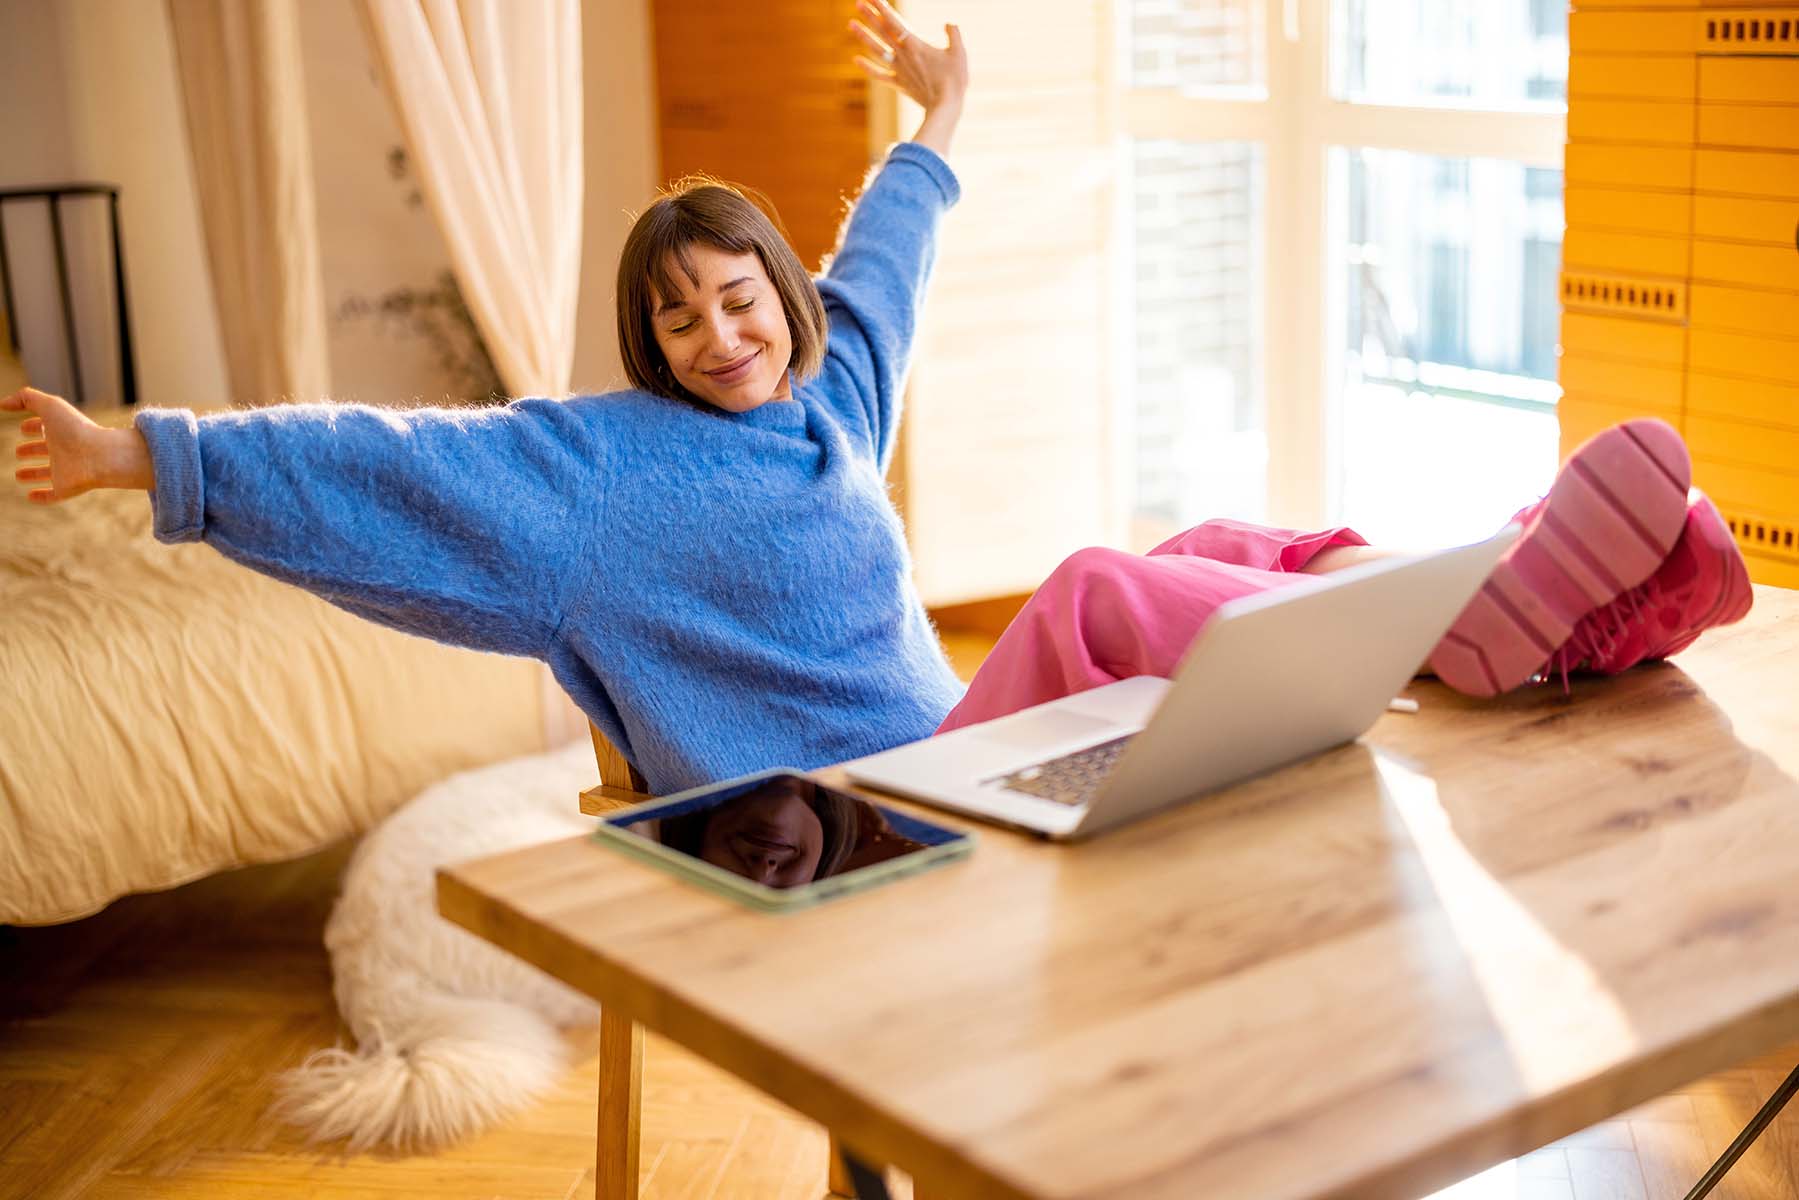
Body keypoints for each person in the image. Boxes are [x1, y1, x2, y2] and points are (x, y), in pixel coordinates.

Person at [4, 1, 1751, 797]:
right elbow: (380, 462)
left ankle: (1518, 603)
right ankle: (1479, 615)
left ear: (780, 297)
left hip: (963, 754)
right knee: (1089, 587)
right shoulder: (593, 475)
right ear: (649, 340)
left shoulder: (829, 391)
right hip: (862, 821)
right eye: (674, 315)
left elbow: (890, 264)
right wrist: (142, 453)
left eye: (739, 294)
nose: (717, 331)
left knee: (1209, 538)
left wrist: (940, 118)